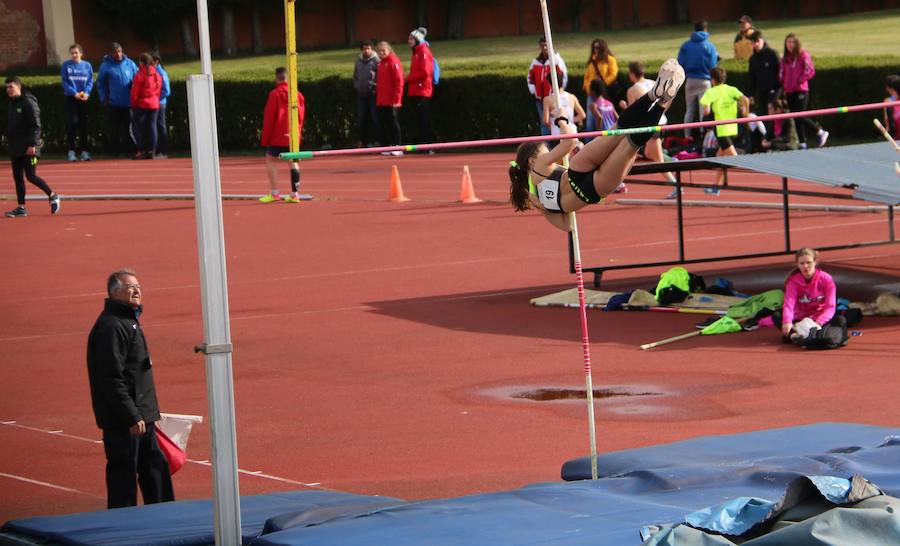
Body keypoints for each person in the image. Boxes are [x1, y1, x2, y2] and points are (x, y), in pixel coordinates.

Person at [508, 59, 685, 232]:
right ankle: (654, 94)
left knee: (630, 144)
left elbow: (568, 226)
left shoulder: (536, 196)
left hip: (591, 190)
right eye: (543, 147)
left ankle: (662, 102)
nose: (546, 148)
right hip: (577, 170)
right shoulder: (539, 166)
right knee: (619, 130)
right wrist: (561, 119)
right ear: (531, 160)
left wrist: (542, 206)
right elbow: (570, 141)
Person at [87, 269, 175, 509]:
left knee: (155, 467)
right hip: (124, 420)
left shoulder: (128, 322)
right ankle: (123, 524)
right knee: (124, 475)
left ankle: (164, 514)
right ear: (115, 293)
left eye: (138, 287)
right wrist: (132, 415)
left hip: (140, 416)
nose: (136, 291)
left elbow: (136, 373)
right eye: (130, 287)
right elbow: (111, 378)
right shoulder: (112, 327)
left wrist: (150, 414)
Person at [619, 62, 678, 197]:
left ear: (632, 74)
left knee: (657, 160)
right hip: (661, 122)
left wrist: (624, 106)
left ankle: (676, 185)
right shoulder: (654, 83)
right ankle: (672, 163)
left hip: (651, 125)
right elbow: (669, 98)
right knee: (650, 153)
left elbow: (633, 112)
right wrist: (661, 112)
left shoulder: (633, 89)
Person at [4, 76, 60, 218]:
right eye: (6, 87)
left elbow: (36, 125)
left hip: (30, 149)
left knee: (31, 175)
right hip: (15, 148)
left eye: (11, 87)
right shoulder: (11, 103)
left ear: (19, 86)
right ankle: (21, 207)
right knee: (17, 177)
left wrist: (32, 144)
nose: (8, 90)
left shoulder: (28, 102)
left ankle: (53, 196)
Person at [699, 67, 749, 194]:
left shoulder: (711, 92)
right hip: (733, 128)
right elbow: (745, 99)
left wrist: (708, 112)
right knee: (719, 157)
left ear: (713, 80)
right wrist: (745, 113)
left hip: (721, 129)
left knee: (733, 157)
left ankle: (754, 165)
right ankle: (716, 187)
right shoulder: (731, 89)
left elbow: (706, 111)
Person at [259, 67, 305, 203]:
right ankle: (295, 194)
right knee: (293, 162)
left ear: (276, 78)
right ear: (288, 78)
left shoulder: (274, 94)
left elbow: (269, 118)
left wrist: (265, 138)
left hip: (277, 136)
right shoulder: (297, 94)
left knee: (271, 160)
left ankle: (274, 193)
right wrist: (298, 134)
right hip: (292, 135)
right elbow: (301, 116)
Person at [779, 33, 828, 149]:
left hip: (801, 90)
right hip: (789, 91)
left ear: (797, 43)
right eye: (788, 42)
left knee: (800, 114)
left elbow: (810, 70)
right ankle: (802, 143)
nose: (790, 45)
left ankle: (820, 132)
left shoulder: (803, 55)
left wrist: (800, 80)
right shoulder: (785, 59)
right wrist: (783, 83)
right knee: (795, 117)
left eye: (792, 42)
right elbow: (781, 73)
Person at [780, 248, 836, 340]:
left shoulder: (826, 279)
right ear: (797, 265)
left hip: (818, 316)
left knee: (841, 319)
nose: (805, 266)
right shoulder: (793, 281)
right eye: (802, 263)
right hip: (799, 318)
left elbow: (830, 306)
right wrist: (787, 322)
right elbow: (789, 304)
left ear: (815, 262)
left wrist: (818, 323)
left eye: (808, 262)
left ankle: (800, 335)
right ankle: (794, 336)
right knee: (778, 317)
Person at [96, 42, 138, 157]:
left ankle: (130, 150)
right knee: (114, 129)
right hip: (113, 103)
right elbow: (100, 83)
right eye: (115, 52)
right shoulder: (105, 66)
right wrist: (103, 97)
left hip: (129, 103)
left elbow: (138, 78)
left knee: (129, 129)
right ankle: (114, 151)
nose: (118, 54)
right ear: (111, 53)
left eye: (119, 51)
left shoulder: (130, 64)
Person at [677, 21, 718, 140]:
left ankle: (687, 136)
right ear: (705, 29)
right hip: (705, 81)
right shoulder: (710, 46)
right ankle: (703, 136)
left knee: (689, 110)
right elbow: (713, 65)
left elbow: (680, 63)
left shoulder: (685, 45)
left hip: (690, 80)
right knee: (703, 111)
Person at [527, 36, 568, 137]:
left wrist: (560, 91)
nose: (544, 48)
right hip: (540, 98)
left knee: (557, 120)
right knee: (544, 121)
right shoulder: (535, 62)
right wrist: (533, 90)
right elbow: (530, 78)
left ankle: (558, 141)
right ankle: (546, 144)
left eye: (546, 45)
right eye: (542, 46)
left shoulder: (556, 60)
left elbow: (563, 76)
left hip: (553, 97)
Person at [60, 43, 93, 162]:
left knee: (84, 125)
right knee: (72, 124)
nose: (74, 55)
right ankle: (71, 151)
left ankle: (85, 151)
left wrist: (87, 93)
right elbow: (64, 82)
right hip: (71, 98)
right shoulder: (66, 65)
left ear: (81, 54)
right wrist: (74, 93)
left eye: (76, 53)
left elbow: (90, 81)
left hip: (83, 98)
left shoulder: (87, 65)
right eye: (72, 53)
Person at [747, 30, 780, 136]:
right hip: (760, 92)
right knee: (762, 116)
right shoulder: (752, 59)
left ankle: (774, 137)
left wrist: (779, 91)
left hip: (774, 90)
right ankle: (765, 138)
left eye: (757, 41)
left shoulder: (772, 54)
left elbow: (780, 73)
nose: (755, 44)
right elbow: (752, 78)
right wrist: (751, 94)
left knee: (773, 115)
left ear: (762, 40)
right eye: (753, 42)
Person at [129, 53, 162, 160]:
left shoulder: (140, 75)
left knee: (136, 127)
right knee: (152, 127)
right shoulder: (157, 74)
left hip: (142, 104)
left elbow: (134, 92)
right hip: (154, 103)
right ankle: (151, 150)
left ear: (141, 62)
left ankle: (142, 149)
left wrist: (133, 104)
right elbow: (158, 89)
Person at [582, 39, 618, 134]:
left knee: (604, 118)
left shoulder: (610, 59)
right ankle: (588, 143)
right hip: (591, 94)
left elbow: (613, 74)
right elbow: (586, 76)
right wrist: (587, 88)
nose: (596, 49)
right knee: (589, 121)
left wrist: (602, 85)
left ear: (603, 48)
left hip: (602, 93)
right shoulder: (592, 60)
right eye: (594, 48)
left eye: (598, 47)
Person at [407, 27, 435, 147]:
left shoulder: (423, 52)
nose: (409, 41)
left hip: (422, 90)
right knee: (419, 118)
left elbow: (425, 72)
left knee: (424, 118)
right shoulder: (417, 52)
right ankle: (422, 143)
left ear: (418, 40)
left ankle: (427, 145)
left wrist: (408, 78)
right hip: (417, 89)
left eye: (411, 39)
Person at [375, 41, 404, 156]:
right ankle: (388, 145)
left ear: (389, 50)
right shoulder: (381, 64)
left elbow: (399, 82)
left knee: (393, 122)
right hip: (382, 100)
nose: (381, 53)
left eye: (383, 51)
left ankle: (398, 145)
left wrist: (397, 100)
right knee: (384, 123)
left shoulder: (393, 62)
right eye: (380, 51)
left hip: (392, 100)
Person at [353, 40, 379, 148]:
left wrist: (375, 86)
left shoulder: (376, 61)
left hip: (373, 93)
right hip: (361, 94)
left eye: (368, 48)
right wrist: (357, 85)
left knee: (375, 118)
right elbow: (355, 75)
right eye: (364, 48)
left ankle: (377, 140)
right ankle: (361, 141)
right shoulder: (358, 61)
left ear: (371, 49)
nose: (366, 50)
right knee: (361, 118)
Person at [152, 53, 171, 159]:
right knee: (156, 127)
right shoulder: (154, 72)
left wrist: (156, 98)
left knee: (161, 126)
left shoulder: (161, 73)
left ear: (156, 61)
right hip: (155, 103)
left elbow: (166, 90)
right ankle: (158, 150)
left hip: (160, 103)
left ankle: (163, 151)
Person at [882, 74, 899, 138]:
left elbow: (888, 122)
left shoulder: (888, 102)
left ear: (889, 88)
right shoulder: (888, 101)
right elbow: (888, 122)